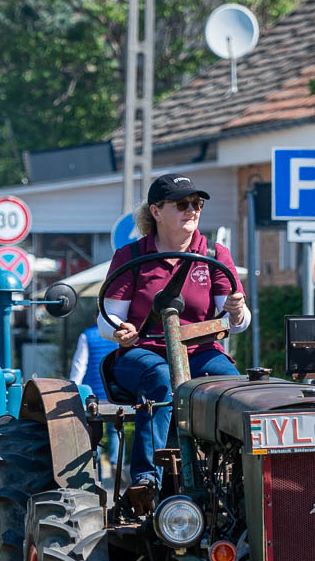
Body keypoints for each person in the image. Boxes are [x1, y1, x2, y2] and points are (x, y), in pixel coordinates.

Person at [101, 172, 248, 488]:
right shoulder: (131, 256)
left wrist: (237, 311)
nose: (191, 210)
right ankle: (146, 479)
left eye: (197, 204)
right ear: (156, 211)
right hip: (142, 352)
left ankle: (237, 478)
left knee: (235, 388)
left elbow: (236, 320)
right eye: (182, 204)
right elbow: (107, 319)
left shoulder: (214, 255)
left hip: (201, 352)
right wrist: (119, 330)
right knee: (161, 378)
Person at [69, 319, 120, 471]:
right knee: (115, 429)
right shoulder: (119, 335)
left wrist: (73, 388)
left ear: (95, 318)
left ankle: (95, 468)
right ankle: (116, 463)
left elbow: (79, 365)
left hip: (92, 395)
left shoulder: (87, 335)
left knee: (94, 430)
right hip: (114, 392)